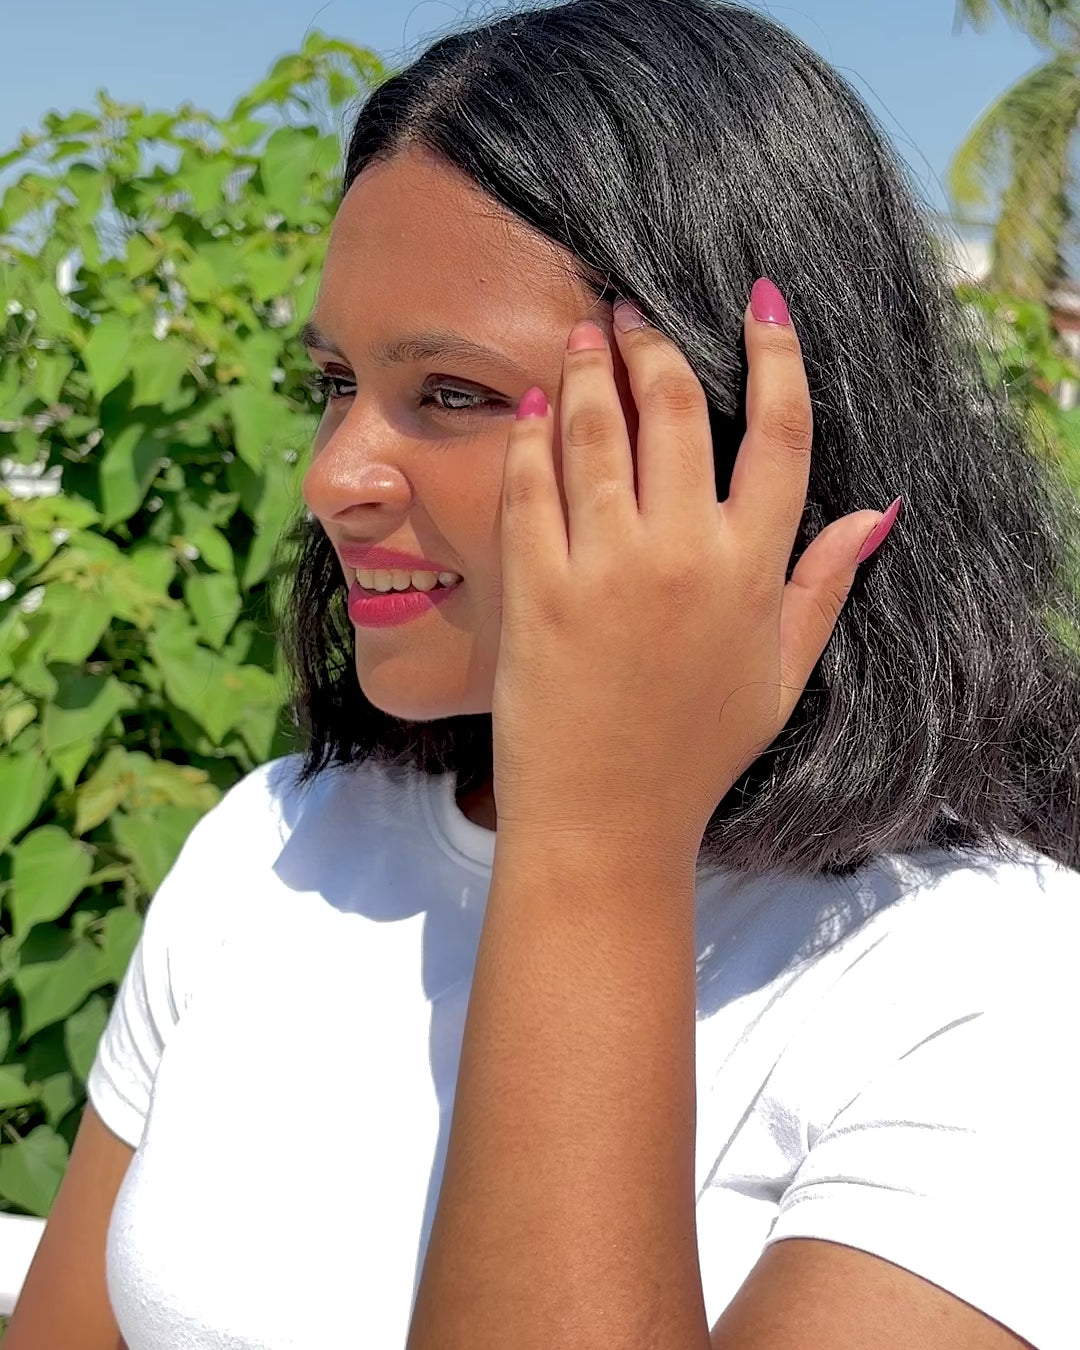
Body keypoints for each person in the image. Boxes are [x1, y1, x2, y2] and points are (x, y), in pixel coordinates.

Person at [9, 0, 1080, 1346]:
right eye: (335, 382)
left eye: (451, 393)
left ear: (752, 434)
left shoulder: (994, 983)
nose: (333, 478)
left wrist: (598, 833)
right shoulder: (271, 846)